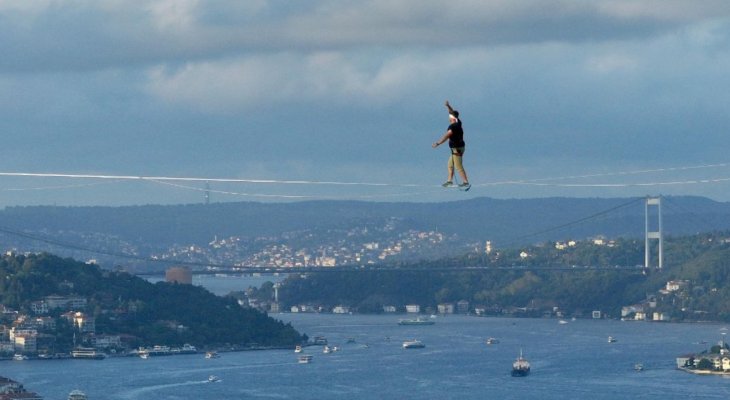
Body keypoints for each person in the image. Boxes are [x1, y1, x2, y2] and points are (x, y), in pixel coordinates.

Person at [432, 100, 470, 190]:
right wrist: (448, 106)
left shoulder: (453, 127)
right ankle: (449, 181)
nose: (448, 118)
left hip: (457, 149)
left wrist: (438, 143)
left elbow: (447, 136)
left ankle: (465, 182)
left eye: (450, 117)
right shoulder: (458, 122)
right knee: (450, 164)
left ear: (452, 118)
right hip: (458, 148)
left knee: (458, 165)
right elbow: (452, 112)